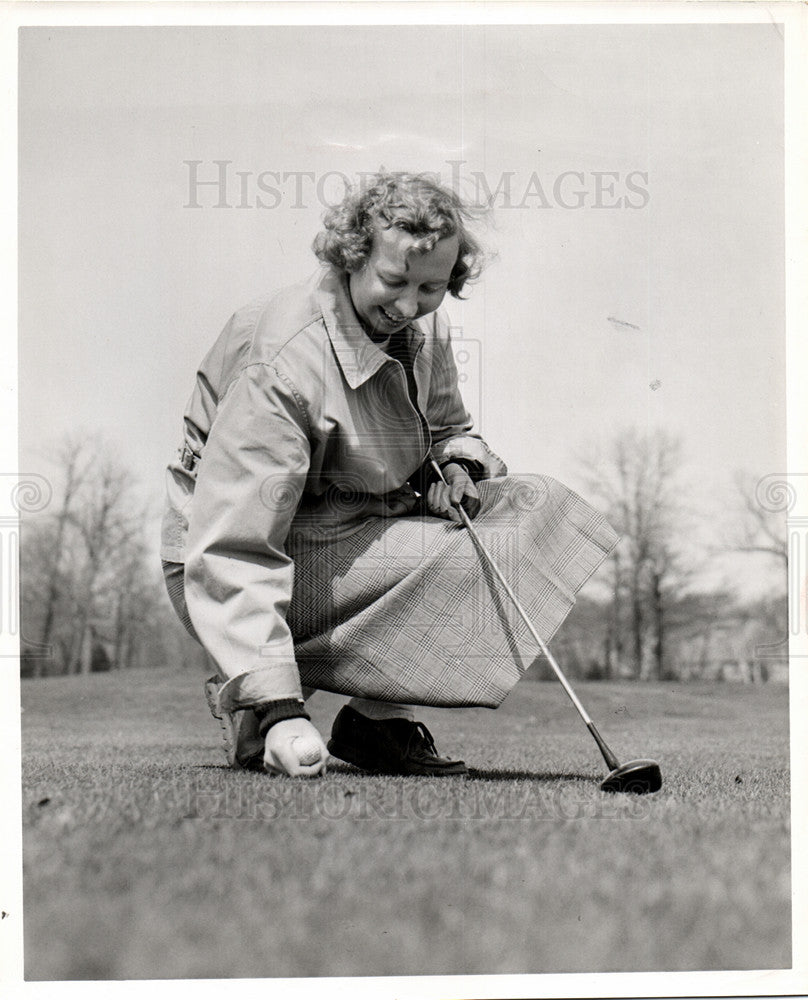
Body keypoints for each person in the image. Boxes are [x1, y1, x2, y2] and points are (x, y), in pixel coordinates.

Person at [161, 170, 617, 778]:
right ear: (351, 255)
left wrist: (455, 465)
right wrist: (278, 708)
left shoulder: (421, 326)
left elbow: (448, 426)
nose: (408, 307)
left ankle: (375, 722)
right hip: (222, 560)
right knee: (483, 544)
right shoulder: (282, 359)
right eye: (394, 281)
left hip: (352, 529)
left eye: (431, 287)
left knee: (535, 511)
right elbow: (233, 544)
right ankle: (256, 686)